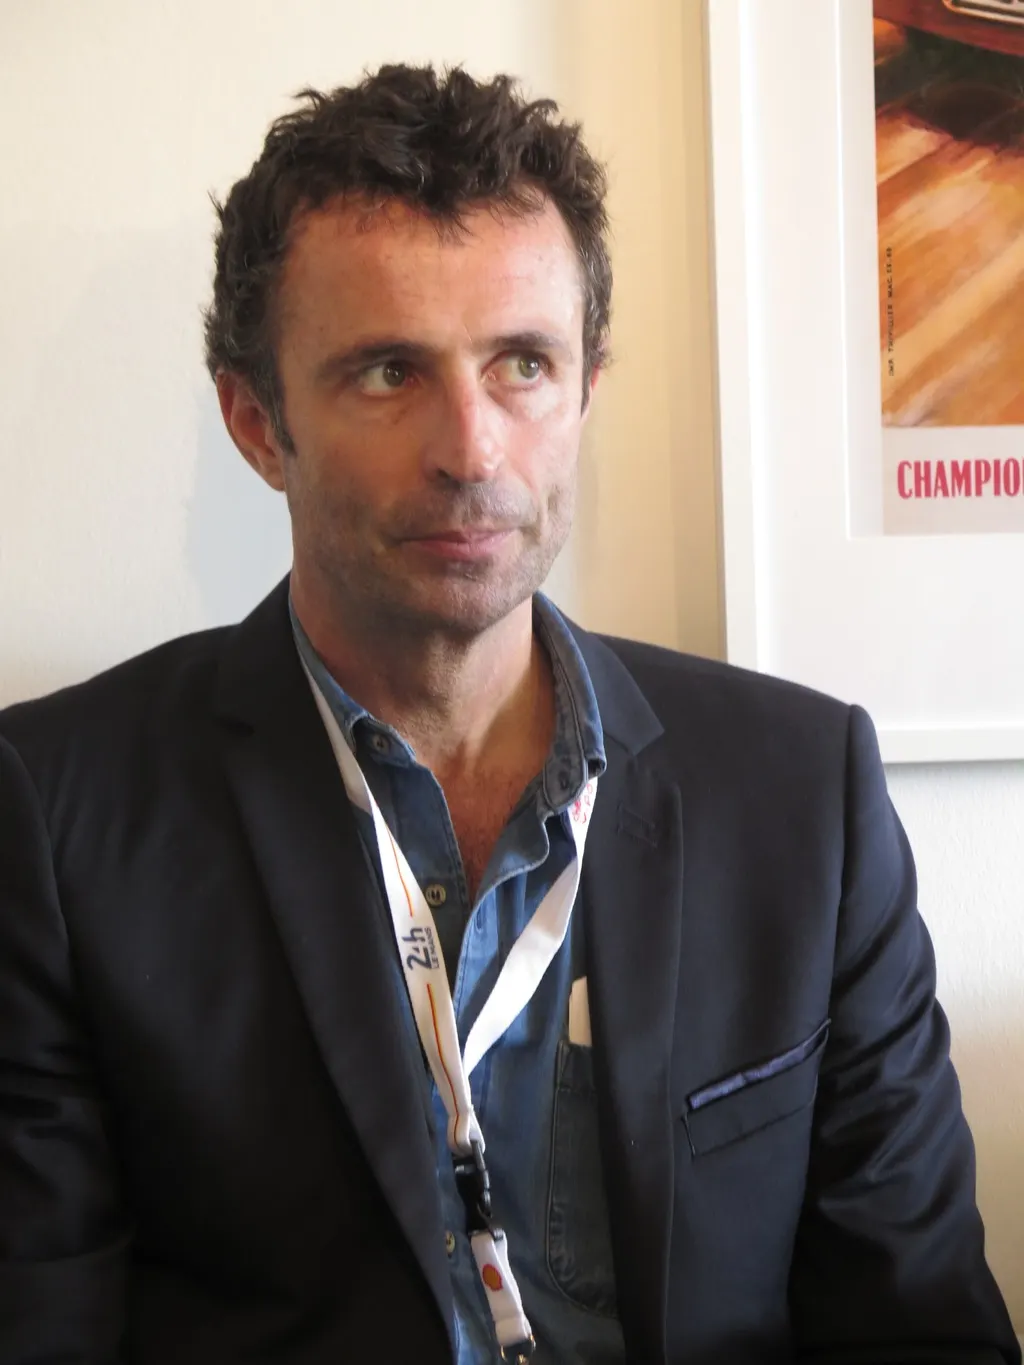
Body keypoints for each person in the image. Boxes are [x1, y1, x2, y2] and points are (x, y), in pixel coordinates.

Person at [0, 63, 1017, 1365]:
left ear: (586, 386)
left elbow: (923, 1326)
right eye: (388, 373)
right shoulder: (56, 817)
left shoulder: (804, 797)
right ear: (258, 423)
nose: (473, 450)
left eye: (523, 364)